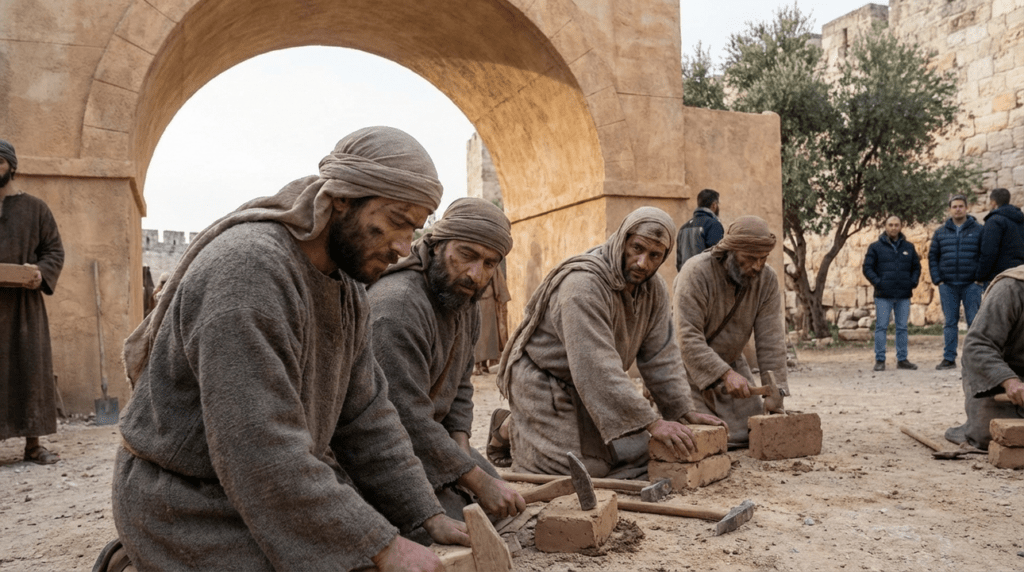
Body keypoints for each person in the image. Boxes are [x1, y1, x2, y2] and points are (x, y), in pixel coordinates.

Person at [110, 127, 470, 572]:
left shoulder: (348, 290)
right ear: (342, 199)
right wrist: (381, 547)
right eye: (396, 221)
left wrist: (424, 511)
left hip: (265, 487)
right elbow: (259, 445)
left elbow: (367, 417)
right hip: (185, 500)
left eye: (413, 228)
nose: (404, 247)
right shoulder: (248, 271)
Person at [491, 207, 725, 479]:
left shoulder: (655, 289)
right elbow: (595, 366)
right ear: (622, 240)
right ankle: (510, 426)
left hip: (591, 389)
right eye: (637, 248)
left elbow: (661, 356)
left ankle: (523, 426)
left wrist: (682, 411)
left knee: (638, 454)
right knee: (582, 472)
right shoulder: (583, 284)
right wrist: (652, 421)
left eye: (654, 255)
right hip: (545, 383)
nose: (642, 263)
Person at [368, 197, 525, 525]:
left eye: (489, 263)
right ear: (437, 245)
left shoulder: (463, 301)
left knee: (494, 501)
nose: (475, 274)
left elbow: (461, 388)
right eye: (466, 255)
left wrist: (462, 457)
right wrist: (473, 480)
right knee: (462, 518)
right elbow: (404, 417)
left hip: (428, 439)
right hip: (383, 447)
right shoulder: (397, 307)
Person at [673, 216, 789, 446]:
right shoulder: (695, 272)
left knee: (749, 434)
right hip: (687, 368)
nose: (757, 266)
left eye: (763, 259)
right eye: (748, 258)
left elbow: (771, 339)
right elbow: (687, 337)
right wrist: (725, 375)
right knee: (700, 436)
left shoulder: (767, 280)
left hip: (733, 365)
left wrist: (776, 393)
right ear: (730, 251)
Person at [0, 139, 65, 465]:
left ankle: (34, 446)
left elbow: (54, 250)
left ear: (11, 166)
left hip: (25, 306)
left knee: (30, 369)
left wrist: (40, 273)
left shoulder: (36, 209)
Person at [944, 264, 1024, 450]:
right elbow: (977, 346)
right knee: (991, 434)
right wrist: (1011, 382)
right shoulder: (1011, 288)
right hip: (997, 380)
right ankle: (969, 428)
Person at [928, 194, 984, 370]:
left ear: (966, 208)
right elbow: (933, 257)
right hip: (948, 285)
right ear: (949, 209)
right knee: (950, 323)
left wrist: (979, 279)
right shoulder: (940, 232)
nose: (958, 209)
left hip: (971, 284)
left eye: (961, 206)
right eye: (954, 206)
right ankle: (949, 358)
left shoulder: (979, 230)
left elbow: (985, 255)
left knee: (974, 322)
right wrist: (938, 280)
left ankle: (974, 360)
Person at [863, 216, 921, 371]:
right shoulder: (875, 247)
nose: (894, 228)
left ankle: (902, 359)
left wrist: (912, 282)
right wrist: (879, 282)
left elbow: (916, 267)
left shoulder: (909, 247)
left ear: (901, 226)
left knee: (902, 327)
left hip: (903, 295)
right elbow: (867, 268)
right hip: (883, 295)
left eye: (896, 225)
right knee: (881, 327)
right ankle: (880, 360)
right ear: (885, 226)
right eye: (891, 225)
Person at [976, 188, 1024, 285]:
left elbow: (989, 251)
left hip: (1000, 277)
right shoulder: (1021, 219)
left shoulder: (994, 221)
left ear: (993, 202)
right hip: (1020, 273)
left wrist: (980, 275)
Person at [473, 265, 511, 375]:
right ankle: (477, 364)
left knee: (488, 335)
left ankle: (484, 364)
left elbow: (496, 274)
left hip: (488, 299)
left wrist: (500, 296)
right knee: (477, 333)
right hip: (476, 298)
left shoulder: (491, 259)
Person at [676, 188, 724, 271]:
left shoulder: (684, 227)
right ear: (714, 205)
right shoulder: (713, 224)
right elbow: (716, 257)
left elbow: (679, 261)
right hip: (704, 280)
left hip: (684, 279)